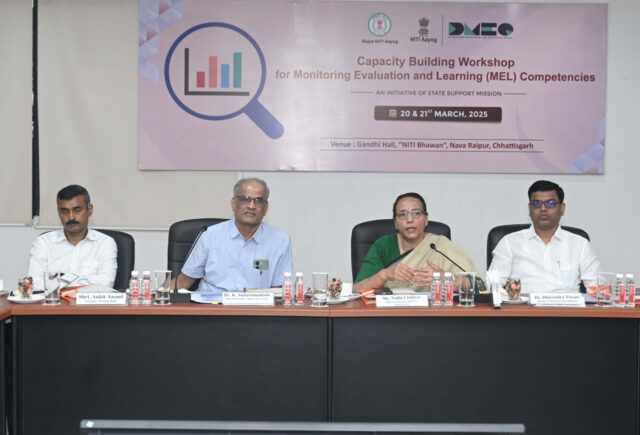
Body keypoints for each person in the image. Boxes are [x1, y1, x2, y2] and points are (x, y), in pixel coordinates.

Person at [176, 178, 292, 293]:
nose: (251, 206)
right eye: (245, 199)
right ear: (234, 203)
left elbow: (279, 290)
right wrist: (164, 295)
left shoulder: (280, 240)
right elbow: (183, 281)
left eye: (258, 201)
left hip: (255, 304)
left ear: (265, 207)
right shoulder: (210, 235)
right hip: (212, 303)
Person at [488, 180, 600, 292]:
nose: (543, 209)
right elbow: (492, 286)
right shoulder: (509, 243)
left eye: (550, 203)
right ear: (529, 209)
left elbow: (598, 289)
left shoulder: (580, 244)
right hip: (524, 303)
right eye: (536, 204)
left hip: (568, 303)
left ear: (562, 208)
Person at [353, 192, 478, 292]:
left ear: (426, 219)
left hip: (434, 312)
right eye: (402, 214)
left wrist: (449, 279)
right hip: (389, 313)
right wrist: (384, 275)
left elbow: (478, 285)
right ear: (395, 222)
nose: (410, 219)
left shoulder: (439, 246)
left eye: (416, 213)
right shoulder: (383, 245)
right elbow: (357, 289)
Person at [28, 184, 117, 289]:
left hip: (89, 301)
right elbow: (34, 284)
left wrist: (58, 281)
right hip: (53, 300)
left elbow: (105, 283)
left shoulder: (105, 243)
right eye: (64, 211)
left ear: (90, 210)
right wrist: (85, 280)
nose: (71, 217)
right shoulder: (43, 243)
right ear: (58, 212)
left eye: (77, 210)